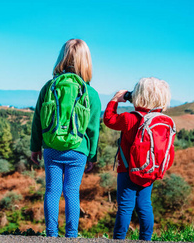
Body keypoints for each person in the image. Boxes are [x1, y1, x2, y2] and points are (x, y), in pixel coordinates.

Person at [30, 39, 101, 238]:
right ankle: (71, 235)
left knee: (52, 190)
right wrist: (92, 156)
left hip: (52, 146)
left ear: (62, 58)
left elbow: (38, 120)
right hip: (78, 149)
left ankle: (51, 234)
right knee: (72, 192)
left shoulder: (49, 87)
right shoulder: (91, 93)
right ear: (86, 62)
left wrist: (35, 147)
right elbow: (93, 128)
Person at [103, 77, 172, 240]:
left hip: (127, 170)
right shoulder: (161, 121)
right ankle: (146, 239)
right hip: (150, 170)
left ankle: (119, 239)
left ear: (138, 96)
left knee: (125, 207)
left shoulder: (130, 118)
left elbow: (109, 119)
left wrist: (114, 100)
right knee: (145, 206)